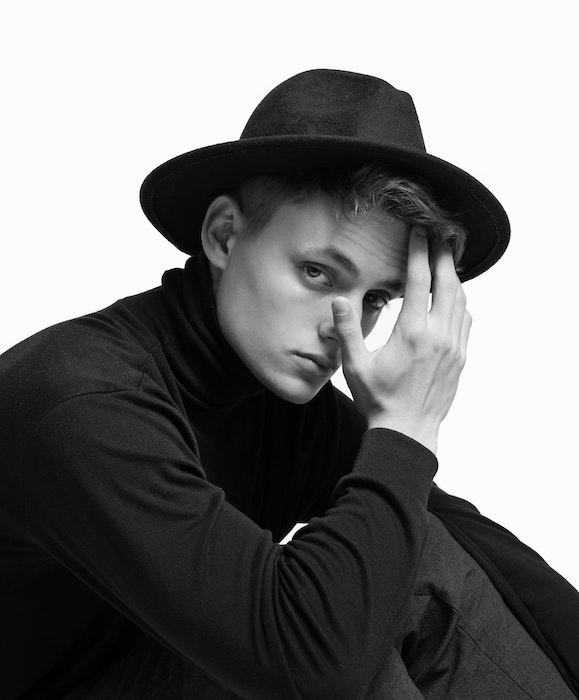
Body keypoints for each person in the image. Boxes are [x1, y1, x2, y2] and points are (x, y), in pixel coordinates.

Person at [1, 69, 577, 699]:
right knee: (340, 631)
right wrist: (408, 427)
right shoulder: (82, 402)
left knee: (402, 558)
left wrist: (401, 448)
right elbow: (313, 666)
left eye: (377, 298)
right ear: (224, 235)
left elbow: (463, 544)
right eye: (317, 272)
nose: (345, 327)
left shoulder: (283, 405)